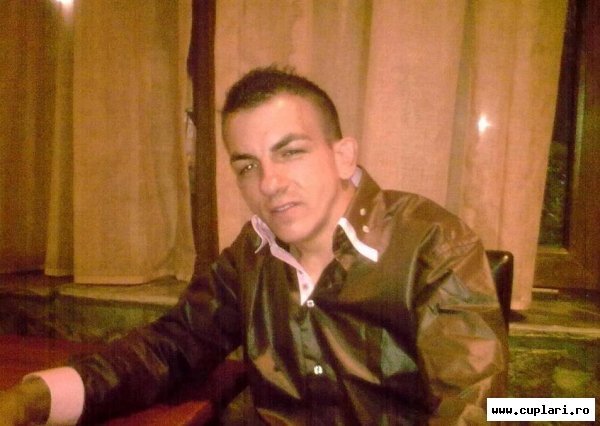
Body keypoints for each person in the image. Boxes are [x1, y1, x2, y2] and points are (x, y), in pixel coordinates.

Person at [0, 66, 507, 425]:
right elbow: (169, 348)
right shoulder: (251, 255)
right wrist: (35, 399)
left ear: (342, 155)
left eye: (290, 152)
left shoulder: (433, 244)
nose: (269, 183)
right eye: (247, 165)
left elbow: (476, 404)